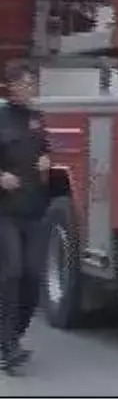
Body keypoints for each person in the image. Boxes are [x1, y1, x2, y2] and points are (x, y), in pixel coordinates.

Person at [0, 62, 50, 375]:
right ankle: (8, 346)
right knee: (12, 274)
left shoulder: (37, 120)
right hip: (5, 213)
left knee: (33, 278)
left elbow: (44, 157)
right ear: (11, 86)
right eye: (26, 84)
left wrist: (46, 165)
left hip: (34, 211)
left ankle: (10, 339)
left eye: (33, 84)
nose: (30, 89)